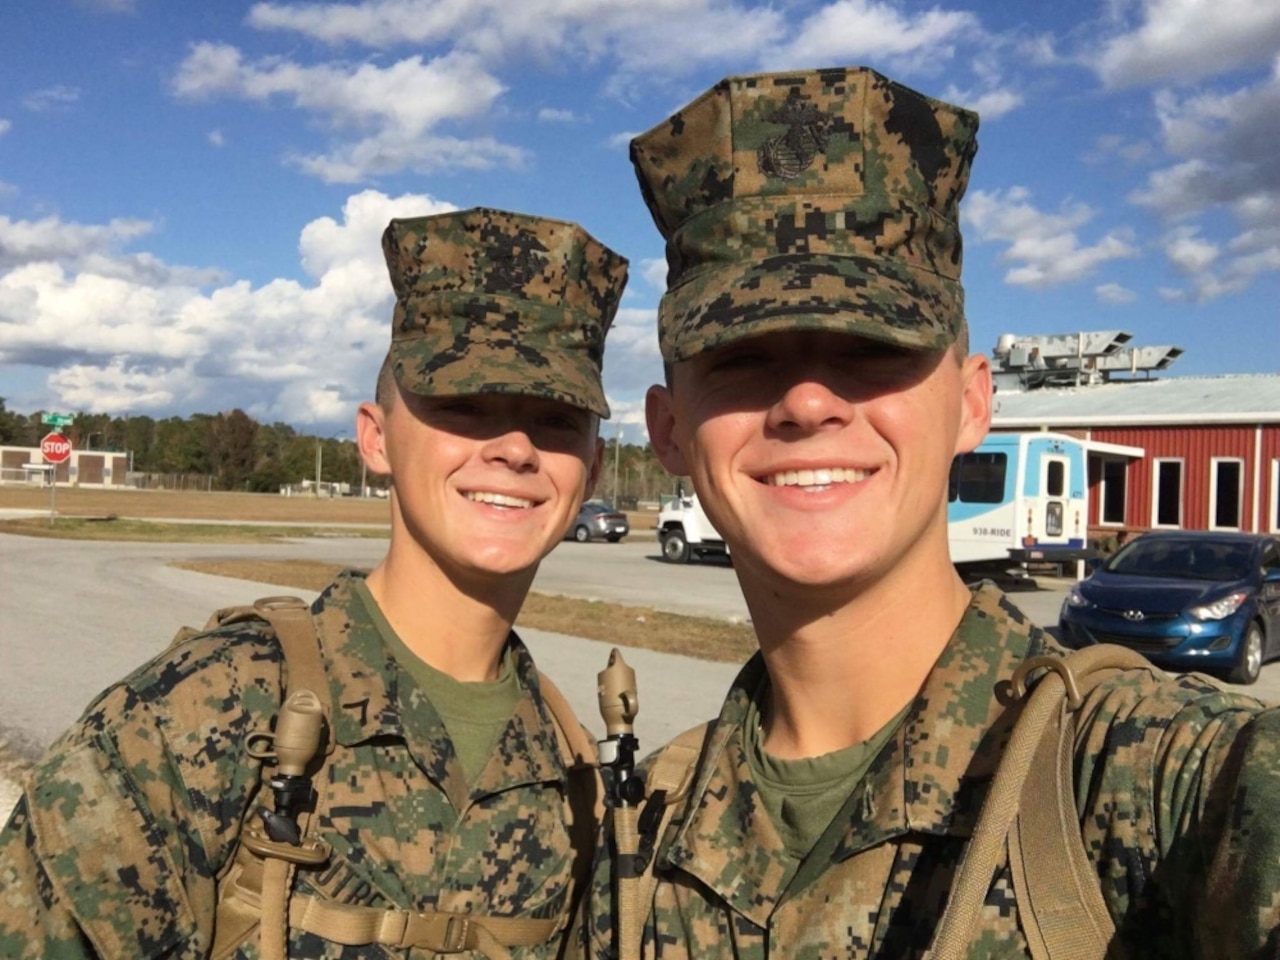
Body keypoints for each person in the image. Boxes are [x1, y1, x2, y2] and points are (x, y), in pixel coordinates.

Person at [571, 66, 1280, 959]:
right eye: (743, 355)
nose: (808, 402)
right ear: (670, 431)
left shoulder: (1148, 778)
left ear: (972, 402)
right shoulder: (646, 833)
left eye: (871, 345)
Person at [0, 207, 629, 958]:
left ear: (591, 471)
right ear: (375, 438)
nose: (516, 448)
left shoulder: (577, 772)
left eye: (556, 419)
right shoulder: (204, 711)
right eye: (464, 405)